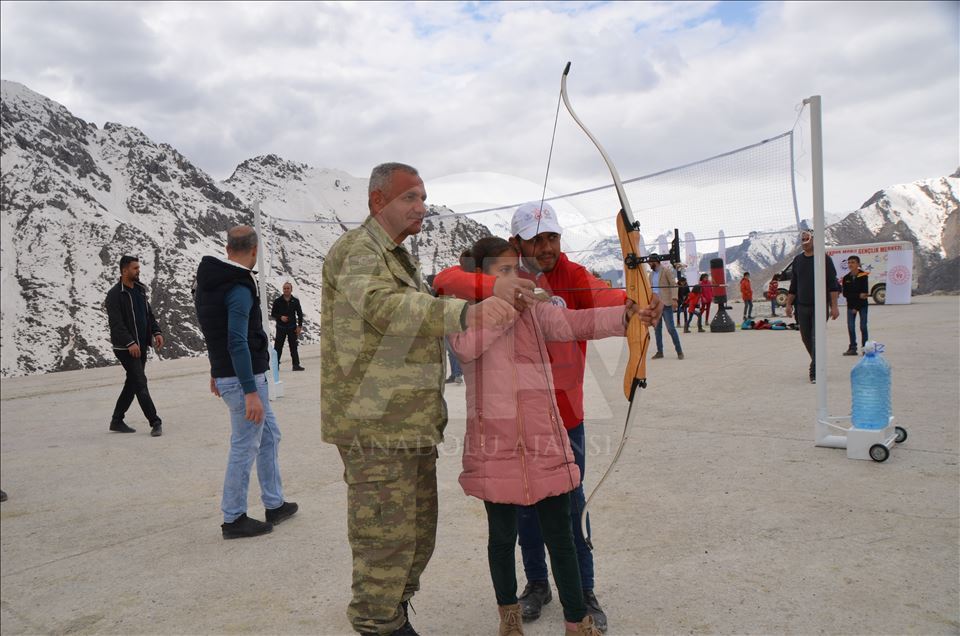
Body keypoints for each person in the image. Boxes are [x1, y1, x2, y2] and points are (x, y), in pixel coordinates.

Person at [434, 201, 663, 633]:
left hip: (548, 431)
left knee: (564, 528)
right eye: (503, 271)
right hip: (497, 442)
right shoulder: (469, 312)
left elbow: (573, 323)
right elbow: (466, 345)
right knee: (505, 535)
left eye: (551, 237)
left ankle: (579, 613)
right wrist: (506, 301)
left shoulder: (542, 300)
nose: (544, 248)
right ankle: (518, 607)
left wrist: (629, 313)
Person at [320, 163, 515, 636]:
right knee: (384, 543)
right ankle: (379, 624)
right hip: (375, 428)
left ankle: (395, 613)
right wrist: (466, 314)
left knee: (415, 537)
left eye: (423, 198)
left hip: (409, 425)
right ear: (377, 201)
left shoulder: (397, 255)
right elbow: (386, 306)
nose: (421, 207)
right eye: (410, 197)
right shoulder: (358, 250)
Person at [194, 226, 298, 540]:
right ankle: (233, 517)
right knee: (245, 445)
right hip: (245, 379)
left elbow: (212, 329)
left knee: (269, 436)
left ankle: (274, 504)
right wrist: (250, 391)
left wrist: (216, 369)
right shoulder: (238, 287)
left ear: (228, 249)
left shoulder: (210, 283)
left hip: (231, 374)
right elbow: (236, 340)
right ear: (255, 251)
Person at [104, 255, 165, 437]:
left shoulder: (139, 290)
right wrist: (130, 342)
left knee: (132, 383)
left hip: (141, 346)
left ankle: (117, 420)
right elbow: (116, 324)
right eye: (135, 268)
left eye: (138, 267)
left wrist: (156, 332)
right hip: (126, 348)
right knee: (140, 382)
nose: (138, 271)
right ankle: (155, 421)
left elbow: (148, 314)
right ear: (124, 270)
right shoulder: (115, 294)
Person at [784, 230, 840, 383]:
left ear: (814, 239)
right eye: (802, 239)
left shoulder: (824, 259)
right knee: (806, 338)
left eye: (807, 239)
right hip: (802, 306)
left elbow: (833, 284)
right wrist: (788, 304)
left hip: (819, 306)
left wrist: (834, 306)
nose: (804, 242)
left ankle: (814, 371)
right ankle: (818, 362)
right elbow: (794, 285)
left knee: (816, 337)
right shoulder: (798, 260)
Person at [648, 259, 683, 360]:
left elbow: (673, 285)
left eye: (650, 262)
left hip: (666, 304)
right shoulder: (651, 275)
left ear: (656, 262)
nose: (649, 264)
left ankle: (679, 351)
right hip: (655, 305)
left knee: (671, 328)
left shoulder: (666, 271)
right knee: (657, 330)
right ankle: (660, 352)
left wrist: (674, 299)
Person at [271, 281, 305, 371]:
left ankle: (296, 365)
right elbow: (273, 313)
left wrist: (299, 326)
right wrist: (280, 317)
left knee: (293, 347)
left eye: (288, 288)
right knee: (278, 347)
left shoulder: (295, 301)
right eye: (284, 288)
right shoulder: (278, 301)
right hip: (280, 327)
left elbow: (300, 314)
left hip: (292, 328)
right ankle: (275, 366)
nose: (286, 290)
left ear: (291, 289)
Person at [841, 255, 869, 355]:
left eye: (853, 262)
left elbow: (864, 293)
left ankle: (865, 348)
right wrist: (857, 295)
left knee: (863, 327)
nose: (850, 264)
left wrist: (856, 307)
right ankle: (853, 348)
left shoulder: (863, 276)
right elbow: (845, 294)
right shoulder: (846, 278)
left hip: (862, 306)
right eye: (849, 262)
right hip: (850, 306)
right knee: (851, 327)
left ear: (858, 264)